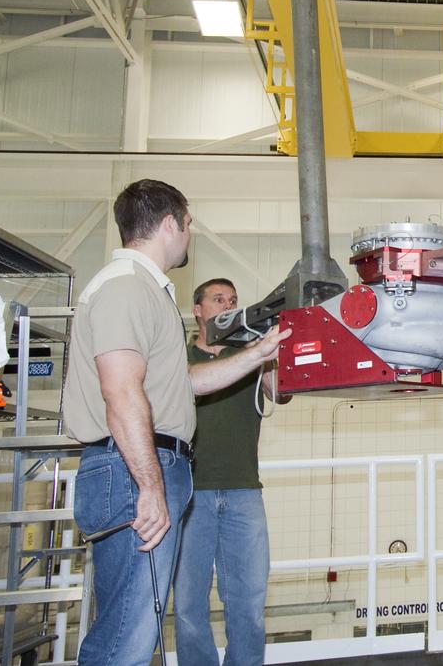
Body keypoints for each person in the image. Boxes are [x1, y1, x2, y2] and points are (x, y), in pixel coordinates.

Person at [63, 180, 287, 666]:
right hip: (133, 469)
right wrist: (149, 486)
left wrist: (256, 355)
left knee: (135, 626)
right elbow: (121, 391)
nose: (189, 233)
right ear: (170, 224)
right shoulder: (126, 287)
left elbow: (181, 382)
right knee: (127, 633)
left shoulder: (145, 291)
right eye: (188, 224)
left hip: (143, 466)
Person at [174, 278, 277, 666]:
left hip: (244, 491)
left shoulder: (249, 356)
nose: (228, 305)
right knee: (189, 606)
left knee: (249, 602)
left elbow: (280, 392)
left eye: (233, 300)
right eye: (218, 299)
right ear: (197, 310)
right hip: (190, 494)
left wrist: (265, 351)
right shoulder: (179, 357)